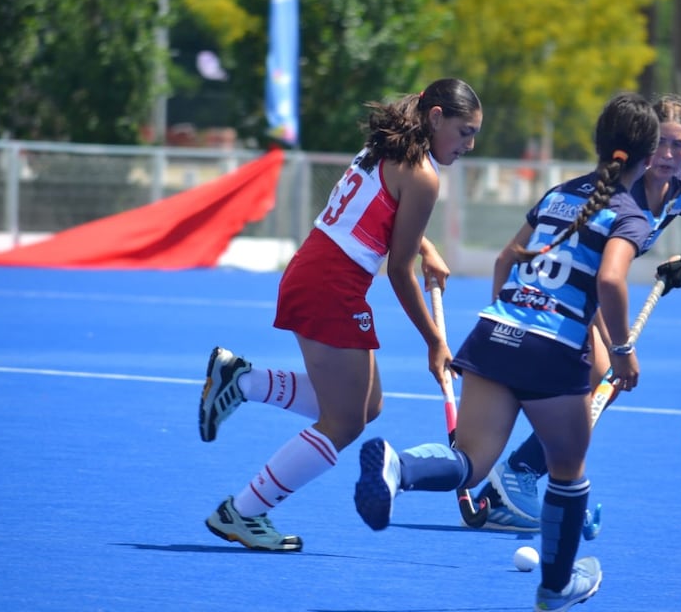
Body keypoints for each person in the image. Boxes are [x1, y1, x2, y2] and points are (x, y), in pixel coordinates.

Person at [352, 92, 660, 611]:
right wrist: (623, 349)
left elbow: (506, 259)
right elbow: (610, 280)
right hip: (553, 347)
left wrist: (509, 321)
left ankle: (397, 468)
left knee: (470, 462)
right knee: (567, 466)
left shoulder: (559, 195)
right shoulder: (630, 215)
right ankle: (556, 586)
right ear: (647, 159)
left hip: (496, 329)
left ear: (598, 143)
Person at [197, 78, 483, 551]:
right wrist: (435, 341)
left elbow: (383, 213)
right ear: (436, 118)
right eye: (465, 132)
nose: (469, 145)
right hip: (332, 286)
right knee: (346, 422)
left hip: (313, 269)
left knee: (367, 405)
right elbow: (398, 271)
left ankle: (243, 382)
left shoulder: (386, 145)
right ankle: (244, 511)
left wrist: (425, 248)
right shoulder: (424, 175)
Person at [475, 93, 681, 532]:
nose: (668, 154)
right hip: (568, 297)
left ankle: (529, 479)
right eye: (661, 143)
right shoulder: (625, 190)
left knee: (604, 385)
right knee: (601, 378)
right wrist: (616, 343)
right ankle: (523, 475)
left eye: (679, 145)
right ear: (647, 144)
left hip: (592, 294)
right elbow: (600, 277)